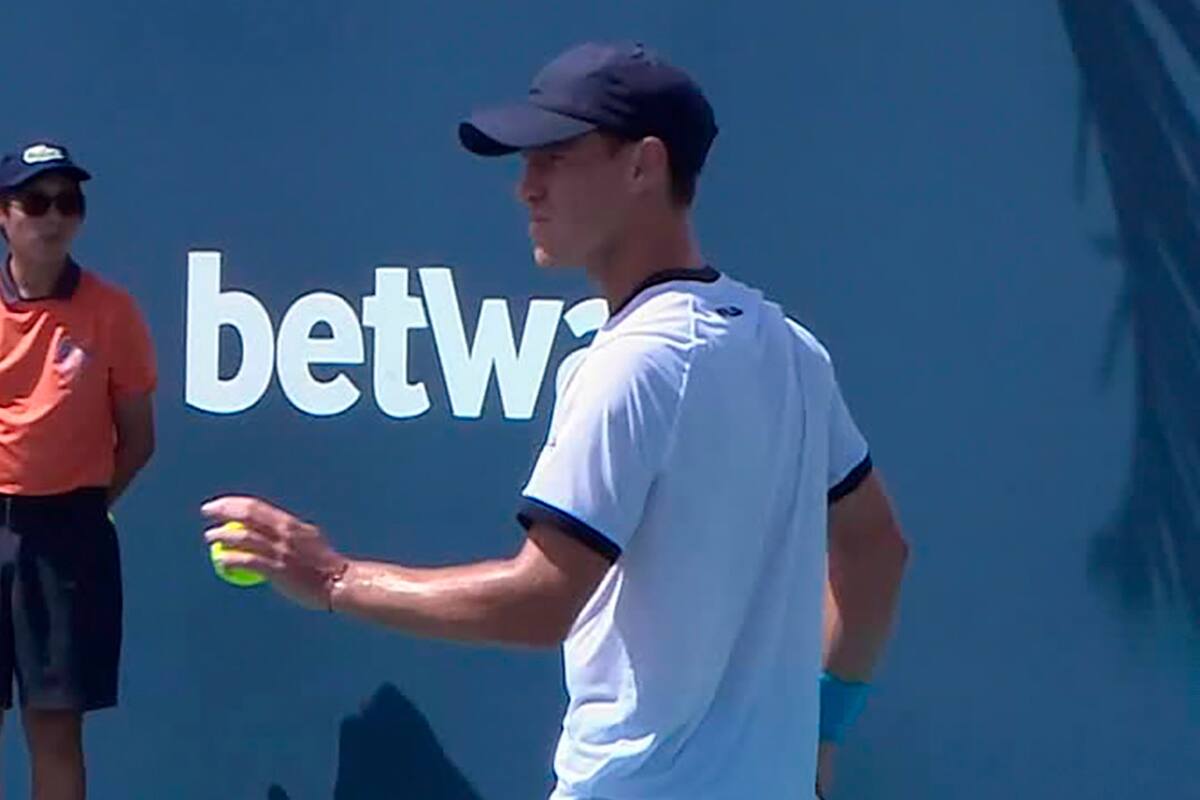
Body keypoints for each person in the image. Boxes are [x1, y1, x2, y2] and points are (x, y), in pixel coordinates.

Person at [202, 41, 908, 800]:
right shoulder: (790, 349)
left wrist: (333, 577)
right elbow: (878, 553)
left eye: (555, 158)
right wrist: (822, 732)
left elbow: (541, 601)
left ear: (643, 166)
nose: (525, 188)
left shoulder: (636, 364)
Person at [0, 142, 157, 799]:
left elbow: (139, 440)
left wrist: (86, 503)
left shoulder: (112, 311)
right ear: (4, 216)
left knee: (56, 729)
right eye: (36, 202)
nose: (53, 217)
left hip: (69, 536)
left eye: (68, 203)